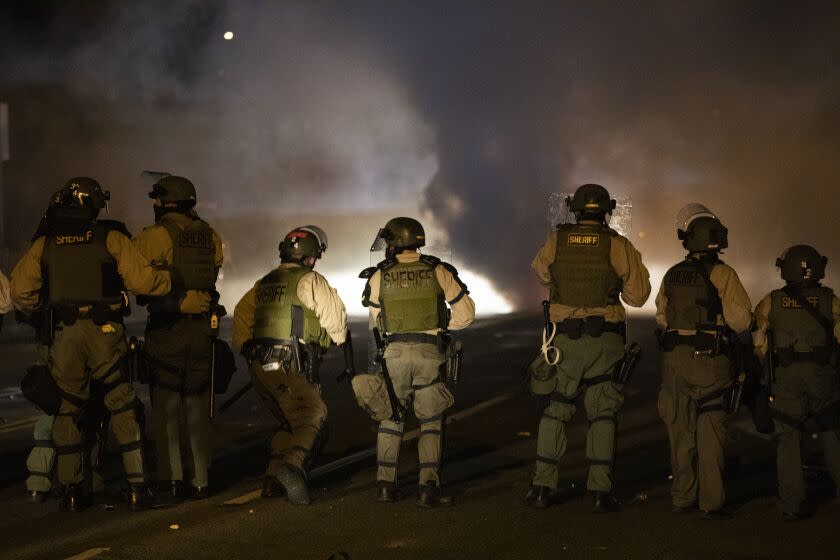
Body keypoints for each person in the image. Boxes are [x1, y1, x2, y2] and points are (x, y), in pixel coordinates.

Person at [11, 177, 171, 512]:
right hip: (105, 330)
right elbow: (143, 281)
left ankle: (70, 491)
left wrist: (41, 311)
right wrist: (170, 279)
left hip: (64, 335)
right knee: (120, 403)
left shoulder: (46, 243)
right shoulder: (109, 237)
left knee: (68, 408)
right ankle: (137, 487)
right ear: (93, 204)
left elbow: (20, 292)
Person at [528, 184, 650, 512]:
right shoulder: (618, 245)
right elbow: (638, 296)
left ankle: (541, 487)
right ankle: (600, 492)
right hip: (603, 344)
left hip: (563, 342)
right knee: (603, 414)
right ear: (606, 210)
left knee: (556, 409)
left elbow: (541, 273)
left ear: (575, 209)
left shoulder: (558, 239)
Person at [360, 217, 475, 507]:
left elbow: (375, 320)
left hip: (394, 354)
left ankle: (386, 486)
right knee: (431, 421)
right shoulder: (438, 270)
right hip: (429, 354)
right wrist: (442, 326)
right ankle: (428, 489)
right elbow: (466, 313)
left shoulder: (379, 275)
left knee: (391, 418)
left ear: (391, 243)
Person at [233, 226, 346, 505]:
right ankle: (292, 467)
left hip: (260, 366)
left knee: (288, 418)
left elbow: (240, 314)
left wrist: (248, 347)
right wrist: (335, 341)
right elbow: (337, 324)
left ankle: (272, 479)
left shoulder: (265, 282)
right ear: (310, 257)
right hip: (290, 363)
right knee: (313, 413)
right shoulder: (310, 280)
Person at [655, 203, 751, 519]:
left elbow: (661, 317)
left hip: (675, 361)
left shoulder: (671, 274)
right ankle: (711, 502)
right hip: (711, 361)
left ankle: (683, 496)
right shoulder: (724, 273)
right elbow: (741, 322)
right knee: (710, 429)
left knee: (680, 432)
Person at [133, 175, 224, 501]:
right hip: (201, 328)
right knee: (198, 405)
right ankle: (201, 480)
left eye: (157, 201)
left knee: (167, 408)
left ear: (166, 203)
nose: (154, 206)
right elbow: (213, 274)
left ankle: (172, 481)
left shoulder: (152, 237)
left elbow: (138, 282)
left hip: (167, 327)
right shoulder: (210, 235)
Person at [752, 245, 840, 520]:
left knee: (787, 439)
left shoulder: (772, 301)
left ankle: (791, 504)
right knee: (832, 435)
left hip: (787, 378)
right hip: (822, 376)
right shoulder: (831, 300)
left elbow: (759, 343)